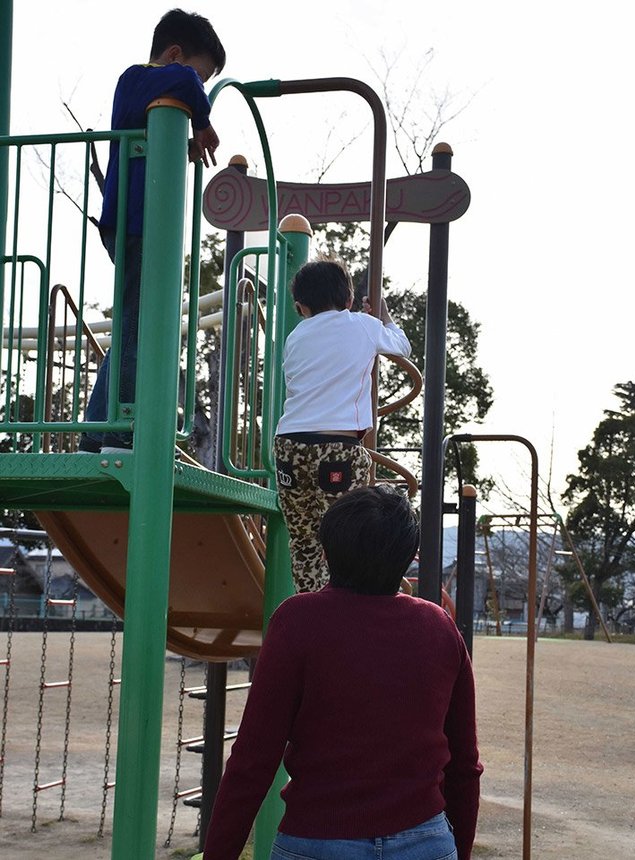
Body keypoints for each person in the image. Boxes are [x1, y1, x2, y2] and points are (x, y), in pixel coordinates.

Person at [202, 485, 483, 860]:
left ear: (325, 551)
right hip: (424, 841)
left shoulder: (298, 621)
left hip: (316, 840)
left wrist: (218, 854)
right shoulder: (439, 627)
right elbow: (464, 764)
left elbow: (253, 759)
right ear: (410, 558)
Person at [78, 8, 226, 453]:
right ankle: (117, 428)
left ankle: (99, 431)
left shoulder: (152, 96)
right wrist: (202, 120)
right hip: (136, 222)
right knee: (136, 328)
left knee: (134, 325)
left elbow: (180, 88)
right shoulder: (138, 77)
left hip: (144, 224)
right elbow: (182, 82)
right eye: (203, 76)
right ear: (175, 54)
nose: (198, 86)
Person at [273, 258, 411, 592]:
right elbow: (401, 345)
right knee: (349, 539)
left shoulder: (294, 337)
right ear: (348, 301)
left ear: (299, 306)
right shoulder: (362, 324)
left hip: (289, 445)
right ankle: (349, 607)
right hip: (337, 447)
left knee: (304, 539)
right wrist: (384, 317)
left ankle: (312, 606)